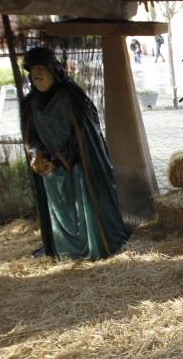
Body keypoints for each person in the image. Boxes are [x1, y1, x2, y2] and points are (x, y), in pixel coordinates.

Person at [20, 47, 128, 260]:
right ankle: (64, 250)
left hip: (79, 167)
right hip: (50, 172)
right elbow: (30, 136)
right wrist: (38, 155)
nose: (37, 73)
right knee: (59, 212)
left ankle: (92, 247)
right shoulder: (30, 103)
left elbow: (83, 136)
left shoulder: (71, 97)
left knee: (84, 211)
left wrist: (61, 159)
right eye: (33, 70)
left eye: (41, 68)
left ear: (53, 70)